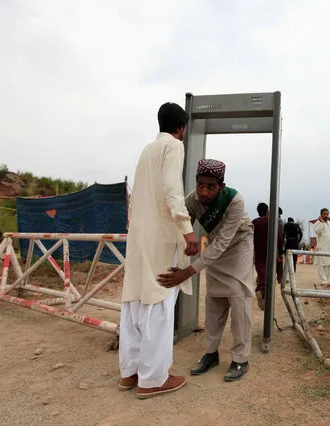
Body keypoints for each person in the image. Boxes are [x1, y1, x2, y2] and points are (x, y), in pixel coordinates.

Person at [119, 102, 200, 399]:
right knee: (160, 300)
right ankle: (152, 379)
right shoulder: (173, 146)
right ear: (180, 128)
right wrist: (187, 228)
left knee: (135, 297)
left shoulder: (146, 150)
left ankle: (129, 372)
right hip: (161, 234)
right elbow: (171, 190)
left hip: (139, 233)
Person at [157, 159, 253, 382]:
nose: (204, 191)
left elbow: (223, 243)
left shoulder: (234, 200)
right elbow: (179, 222)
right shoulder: (192, 199)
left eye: (210, 187)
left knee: (238, 299)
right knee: (214, 300)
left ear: (221, 185)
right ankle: (211, 353)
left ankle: (241, 358)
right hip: (214, 246)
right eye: (200, 185)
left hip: (238, 245)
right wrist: (185, 238)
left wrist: (188, 271)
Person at [252, 202, 284, 310]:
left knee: (261, 272)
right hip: (271, 251)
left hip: (258, 250)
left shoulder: (254, 222)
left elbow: (250, 236)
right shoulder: (272, 221)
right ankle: (263, 293)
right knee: (270, 273)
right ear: (267, 211)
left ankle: (261, 290)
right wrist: (281, 251)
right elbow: (279, 237)